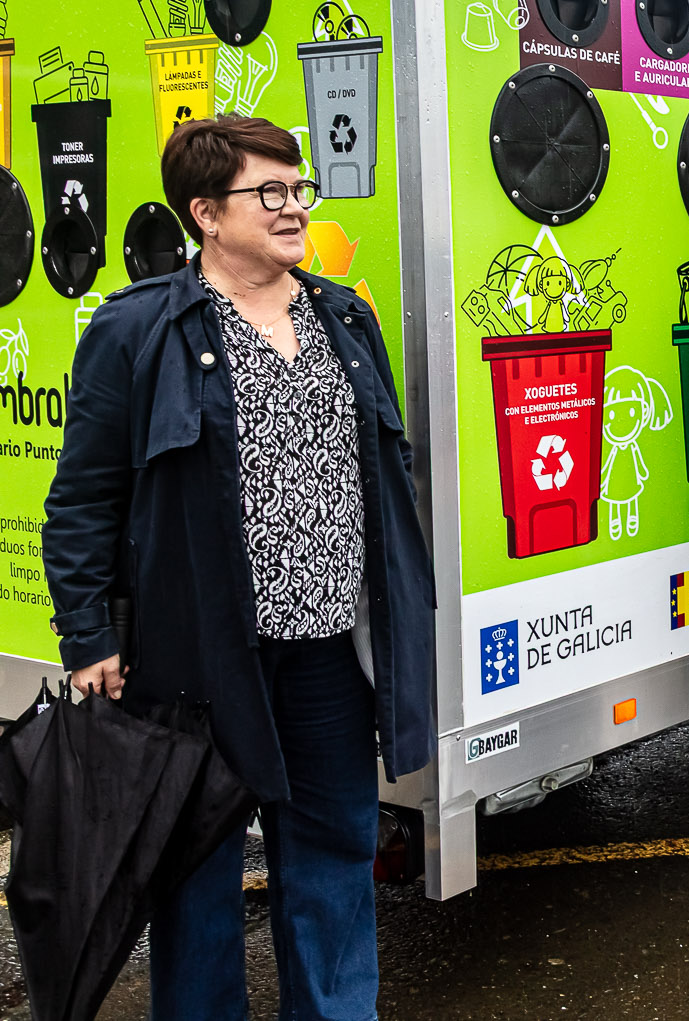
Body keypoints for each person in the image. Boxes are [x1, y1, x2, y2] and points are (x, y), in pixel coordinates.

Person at [42, 116, 435, 1018]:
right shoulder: (137, 328)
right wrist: (89, 634)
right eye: (270, 192)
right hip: (199, 663)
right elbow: (85, 495)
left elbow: (386, 465)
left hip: (331, 653)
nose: (294, 206)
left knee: (335, 854)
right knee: (197, 878)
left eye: (299, 188)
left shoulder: (344, 316)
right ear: (206, 213)